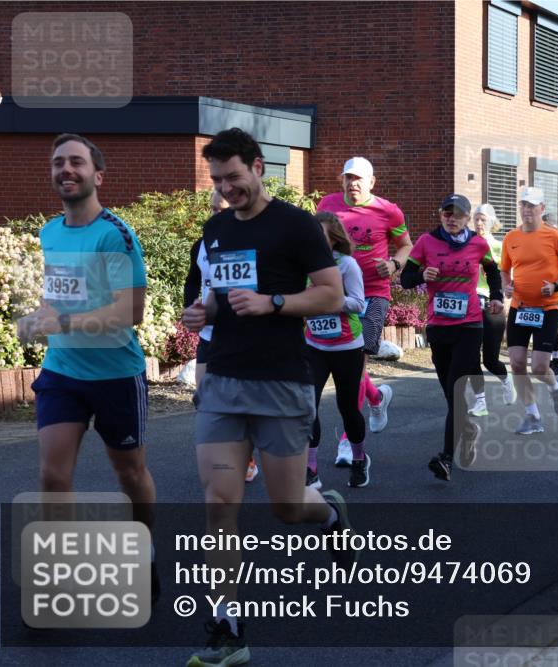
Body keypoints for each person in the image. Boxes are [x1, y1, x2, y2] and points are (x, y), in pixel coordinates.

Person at [182, 128, 350, 666]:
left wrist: (273, 300)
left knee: (285, 505)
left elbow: (333, 294)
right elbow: (215, 297)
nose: (227, 188)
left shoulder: (297, 225)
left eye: (234, 177)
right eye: (219, 180)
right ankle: (226, 626)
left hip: (280, 381)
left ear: (259, 167)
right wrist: (202, 317)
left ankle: (327, 517)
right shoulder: (214, 230)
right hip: (225, 382)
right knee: (219, 503)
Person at [17, 133, 159, 600]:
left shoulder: (114, 234)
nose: (66, 170)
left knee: (129, 474)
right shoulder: (50, 231)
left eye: (76, 162)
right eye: (58, 163)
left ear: (97, 176)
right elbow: (57, 293)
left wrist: (63, 319)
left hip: (116, 375)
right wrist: (39, 317)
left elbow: (129, 313)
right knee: (53, 476)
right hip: (62, 372)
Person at [401, 194, 503, 480]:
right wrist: (423, 274)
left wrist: (496, 297)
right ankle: (469, 428)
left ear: (467, 217)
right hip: (438, 326)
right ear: (440, 215)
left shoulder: (479, 244)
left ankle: (446, 457)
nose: (451, 218)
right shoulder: (426, 242)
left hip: (470, 325)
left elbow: (493, 273)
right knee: (450, 394)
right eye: (447, 213)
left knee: (457, 389)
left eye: (457, 214)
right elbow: (405, 279)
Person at [317, 157, 411, 465]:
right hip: (337, 293)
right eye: (347, 178)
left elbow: (406, 245)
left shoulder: (388, 210)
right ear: (341, 180)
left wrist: (395, 263)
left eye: (358, 179)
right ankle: (376, 397)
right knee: (355, 364)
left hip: (374, 293)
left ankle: (347, 440)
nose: (352, 183)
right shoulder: (328, 205)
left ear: (371, 182)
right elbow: (316, 242)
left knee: (360, 355)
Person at [185, 190, 261, 484]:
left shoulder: (249, 243)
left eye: (222, 210)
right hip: (209, 332)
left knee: (240, 402)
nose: (216, 216)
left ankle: (246, 455)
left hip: (240, 334)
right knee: (205, 399)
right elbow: (193, 279)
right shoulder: (202, 243)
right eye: (213, 210)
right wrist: (190, 306)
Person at [500, 187, 558, 435]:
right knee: (517, 363)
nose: (527, 210)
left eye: (532, 206)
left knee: (540, 367)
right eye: (523, 205)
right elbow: (504, 269)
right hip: (519, 308)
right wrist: (505, 285)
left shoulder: (554, 236)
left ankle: (555, 388)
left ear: (542, 208)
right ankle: (532, 416)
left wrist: (556, 285)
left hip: (548, 308)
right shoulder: (511, 237)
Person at [305, 212, 369, 488]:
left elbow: (358, 303)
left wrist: (328, 299)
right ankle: (311, 469)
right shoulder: (303, 266)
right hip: (314, 345)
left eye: (320, 237)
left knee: (348, 409)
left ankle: (359, 459)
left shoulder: (348, 265)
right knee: (307, 407)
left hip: (347, 346)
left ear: (334, 239)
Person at [467, 203, 515, 416]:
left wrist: (508, 289)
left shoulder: (499, 246)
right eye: (476, 218)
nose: (479, 223)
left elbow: (509, 274)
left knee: (490, 360)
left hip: (492, 304)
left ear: (492, 222)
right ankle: (480, 402)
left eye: (483, 219)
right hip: (470, 303)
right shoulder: (467, 243)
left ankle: (506, 379)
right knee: (470, 356)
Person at [542, 208, 558, 376]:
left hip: (556, 290)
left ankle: (555, 358)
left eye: (553, 227)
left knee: (552, 327)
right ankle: (545, 358)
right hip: (536, 292)